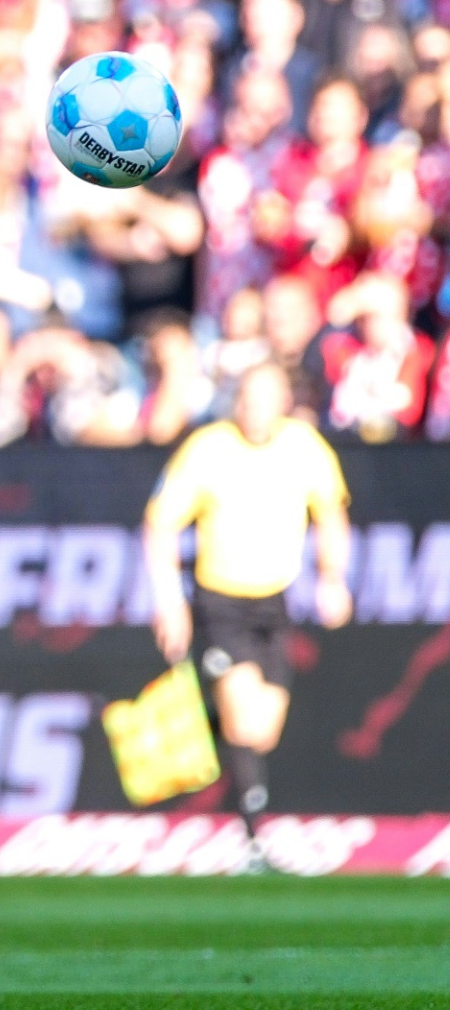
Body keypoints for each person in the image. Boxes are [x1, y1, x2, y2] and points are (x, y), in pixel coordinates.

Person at [143, 362, 352, 869]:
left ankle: (208, 714)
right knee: (242, 718)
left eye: (265, 399)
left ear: (284, 401)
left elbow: (331, 514)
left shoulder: (304, 447)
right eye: (247, 398)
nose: (253, 409)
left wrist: (332, 579)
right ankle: (253, 837)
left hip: (273, 603)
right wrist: (168, 600)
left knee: (262, 730)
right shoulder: (209, 448)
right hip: (221, 602)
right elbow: (160, 524)